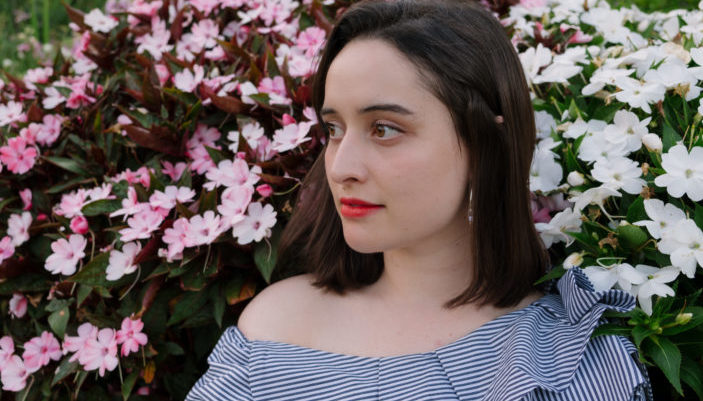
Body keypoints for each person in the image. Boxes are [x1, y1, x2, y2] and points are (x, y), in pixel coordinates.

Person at [187, 1, 653, 400]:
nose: (341, 166)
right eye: (334, 129)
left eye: (384, 129)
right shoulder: (274, 330)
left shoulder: (564, 354)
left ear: (484, 146)